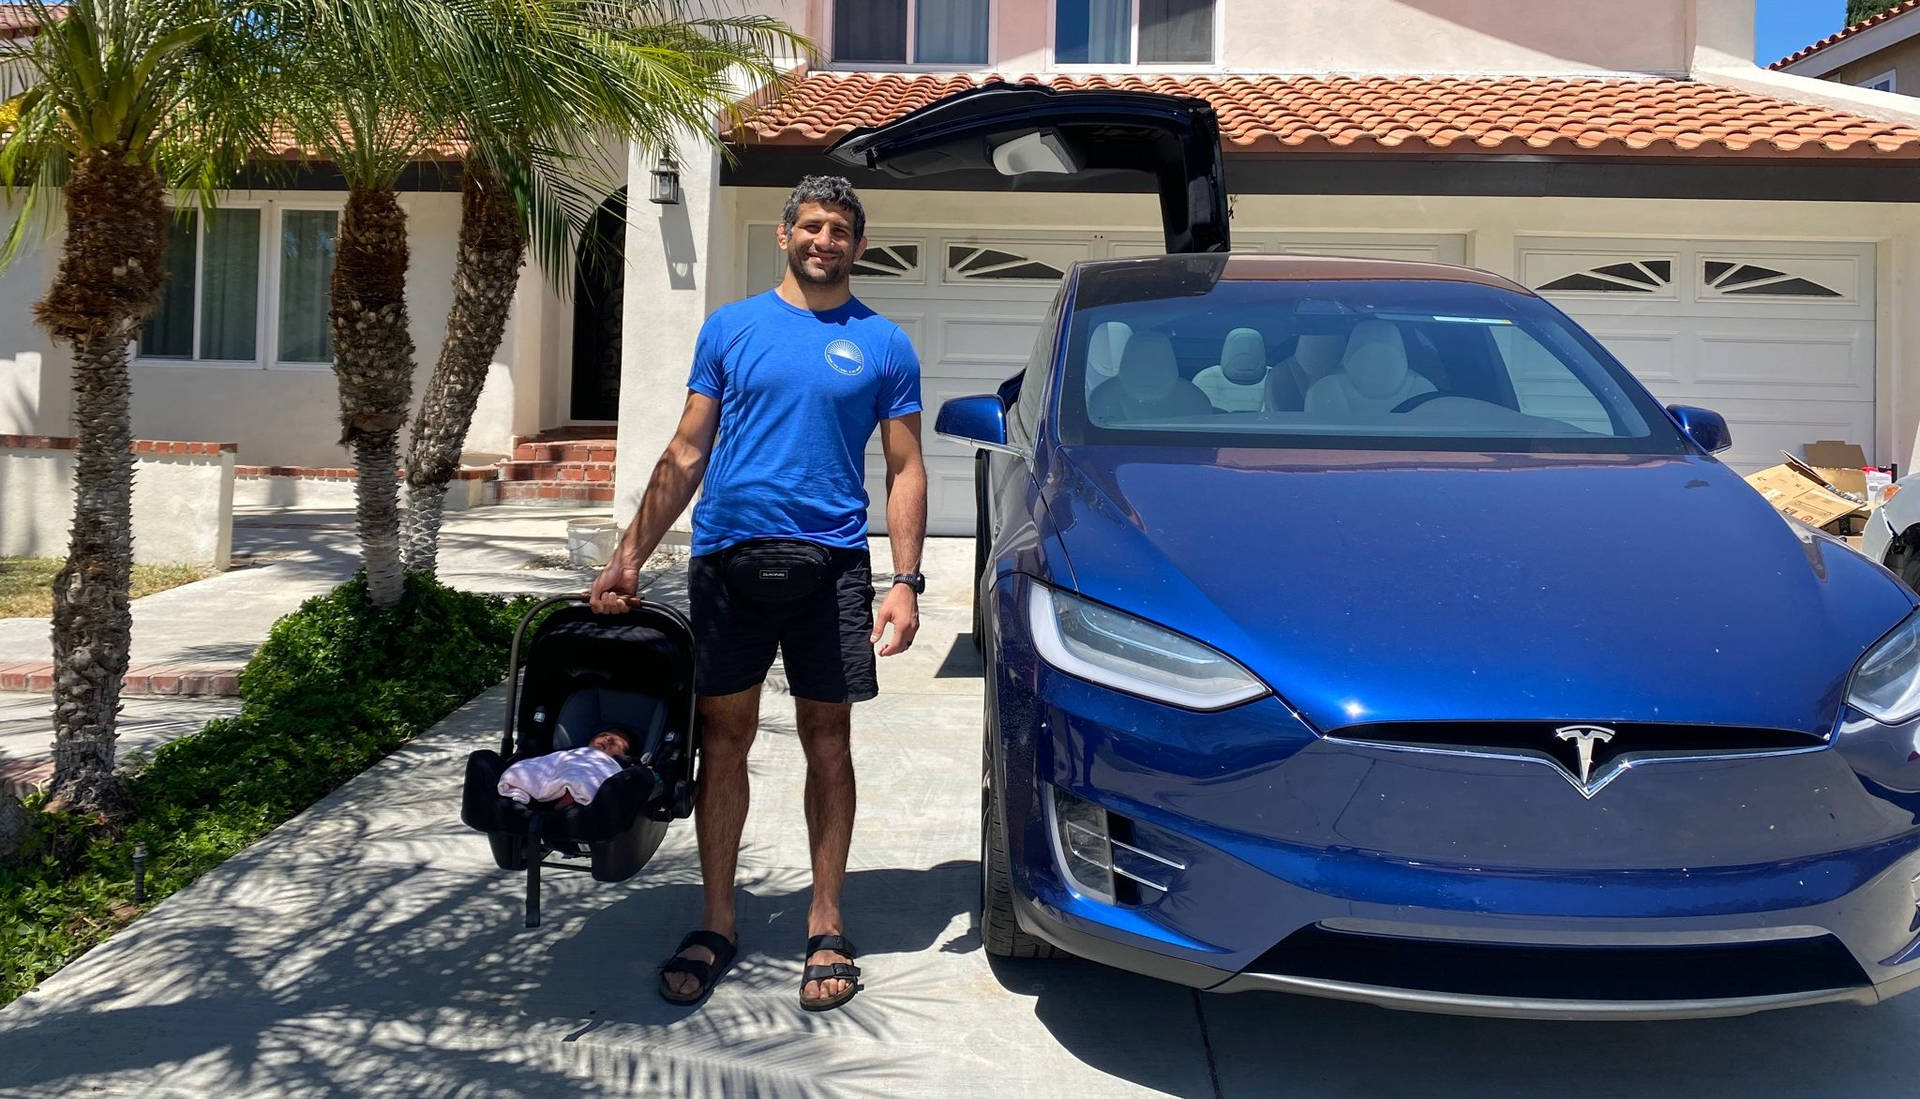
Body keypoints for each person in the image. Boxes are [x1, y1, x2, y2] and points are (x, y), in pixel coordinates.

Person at [588, 176, 926, 1013]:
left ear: (858, 243)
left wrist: (906, 581)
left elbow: (907, 466)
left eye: (841, 228)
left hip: (834, 567)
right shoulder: (731, 328)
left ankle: (824, 921)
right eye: (811, 225)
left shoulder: (884, 343)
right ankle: (717, 919)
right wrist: (629, 555)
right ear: (784, 234)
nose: (825, 239)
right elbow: (688, 447)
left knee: (829, 739)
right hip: (729, 560)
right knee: (724, 735)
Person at [497, 728, 631, 809]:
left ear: (622, 754)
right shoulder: (572, 750)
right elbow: (550, 762)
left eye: (613, 741)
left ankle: (562, 806)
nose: (607, 739)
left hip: (576, 795)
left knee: (580, 780)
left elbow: (594, 776)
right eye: (603, 735)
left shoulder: (612, 765)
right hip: (551, 779)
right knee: (522, 769)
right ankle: (521, 791)